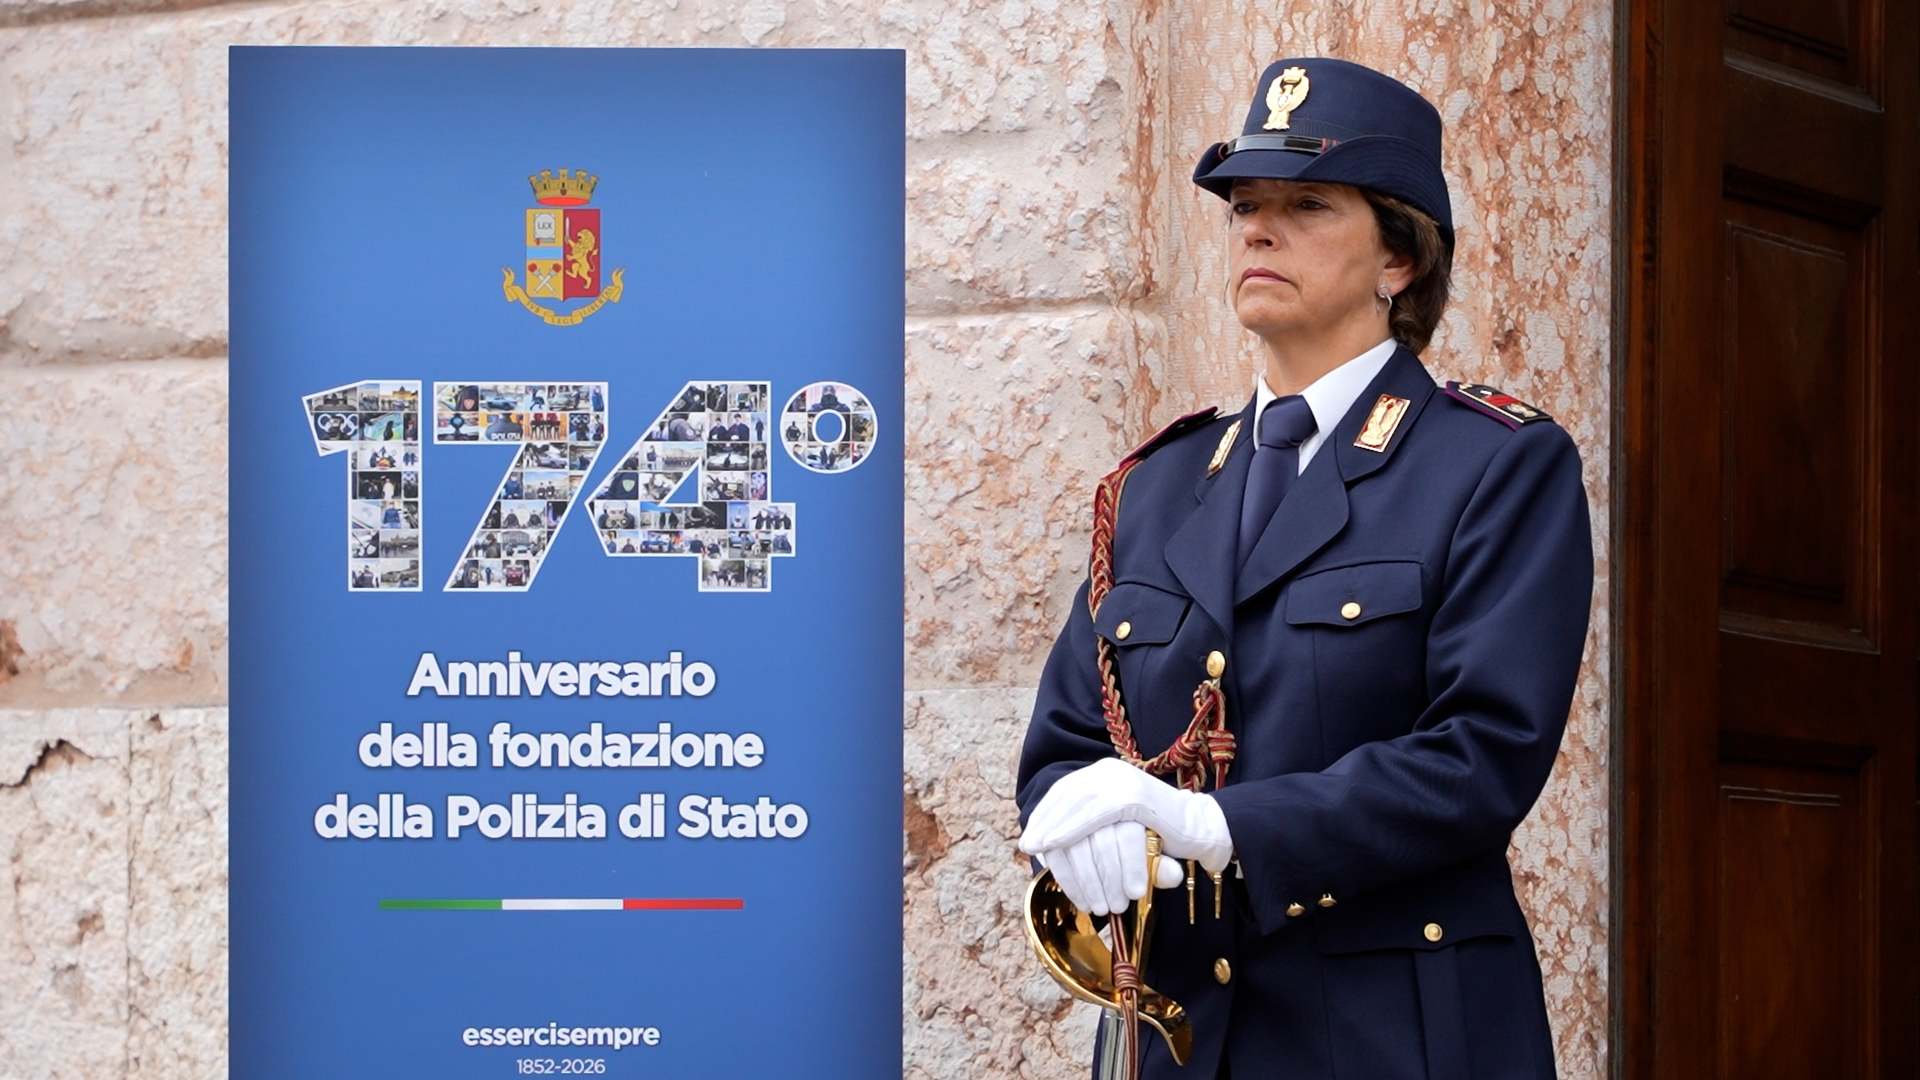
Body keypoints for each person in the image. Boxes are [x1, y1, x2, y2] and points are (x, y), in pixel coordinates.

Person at [1014, 58, 1591, 1080]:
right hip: (1178, 1038)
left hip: (1392, 1039)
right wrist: (1078, 826)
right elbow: (1067, 743)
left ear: (1399, 257)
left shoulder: (1492, 464)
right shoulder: (1158, 485)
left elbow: (1482, 754)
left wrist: (1218, 826)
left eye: (1307, 204)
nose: (1258, 231)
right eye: (1245, 206)